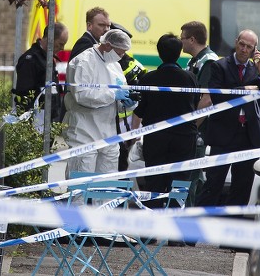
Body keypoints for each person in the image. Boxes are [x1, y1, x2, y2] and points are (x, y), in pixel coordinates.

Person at [196, 29, 260, 207]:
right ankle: (196, 228)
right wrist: (246, 91)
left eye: (249, 47)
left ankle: (232, 227)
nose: (244, 49)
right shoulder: (219, 66)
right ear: (236, 42)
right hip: (223, 135)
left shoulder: (255, 70)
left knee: (242, 187)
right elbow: (218, 98)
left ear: (255, 50)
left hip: (248, 136)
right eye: (241, 44)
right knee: (213, 184)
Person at [131, 33, 199, 209]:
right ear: (179, 53)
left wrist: (133, 136)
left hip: (156, 139)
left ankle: (152, 232)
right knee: (180, 184)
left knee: (154, 183)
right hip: (184, 138)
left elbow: (139, 111)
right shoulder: (190, 78)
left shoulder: (149, 79)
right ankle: (175, 233)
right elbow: (196, 104)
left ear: (159, 53)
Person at [63, 29, 135, 177]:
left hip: (108, 133)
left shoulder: (114, 65)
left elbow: (118, 96)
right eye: (120, 53)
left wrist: (128, 102)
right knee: (80, 185)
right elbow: (81, 95)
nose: (122, 57)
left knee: (105, 187)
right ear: (107, 46)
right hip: (84, 132)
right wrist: (113, 94)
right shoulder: (84, 62)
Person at [180, 21, 219, 206]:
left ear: (192, 40)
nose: (181, 43)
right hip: (195, 129)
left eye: (183, 39)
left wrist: (191, 126)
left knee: (191, 179)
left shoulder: (209, 62)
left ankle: (187, 229)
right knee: (196, 178)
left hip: (199, 131)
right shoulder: (195, 61)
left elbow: (207, 99)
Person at [12, 22, 69, 132]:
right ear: (51, 39)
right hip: (36, 121)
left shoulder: (47, 57)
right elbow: (24, 94)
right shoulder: (31, 59)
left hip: (48, 118)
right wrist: (27, 125)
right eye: (60, 44)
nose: (62, 48)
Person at [110, 22, 149, 171]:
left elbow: (142, 100)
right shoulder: (119, 62)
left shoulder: (128, 66)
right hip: (115, 122)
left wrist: (135, 130)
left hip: (124, 123)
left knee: (120, 163)